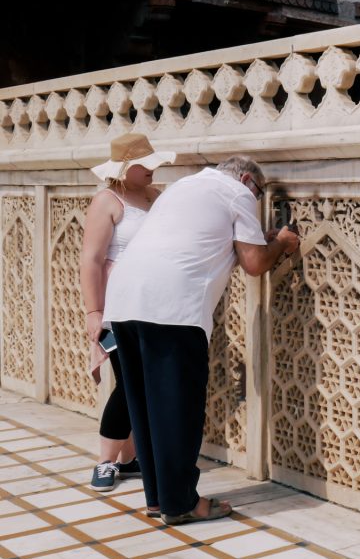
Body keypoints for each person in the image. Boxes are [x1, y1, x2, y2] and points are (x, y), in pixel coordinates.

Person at [104, 156, 299, 525]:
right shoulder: (236, 192)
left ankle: (160, 499)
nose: (254, 200)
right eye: (256, 194)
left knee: (145, 407)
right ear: (246, 179)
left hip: (125, 299)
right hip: (172, 306)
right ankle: (182, 503)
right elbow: (256, 263)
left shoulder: (184, 186)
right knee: (178, 408)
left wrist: (262, 241)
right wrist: (284, 242)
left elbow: (210, 244)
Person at [80, 133, 176, 494]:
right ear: (126, 167)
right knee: (127, 383)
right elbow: (90, 259)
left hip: (155, 303)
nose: (154, 170)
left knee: (147, 381)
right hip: (118, 308)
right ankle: (105, 461)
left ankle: (130, 459)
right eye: (146, 164)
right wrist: (93, 311)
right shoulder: (107, 200)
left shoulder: (157, 197)